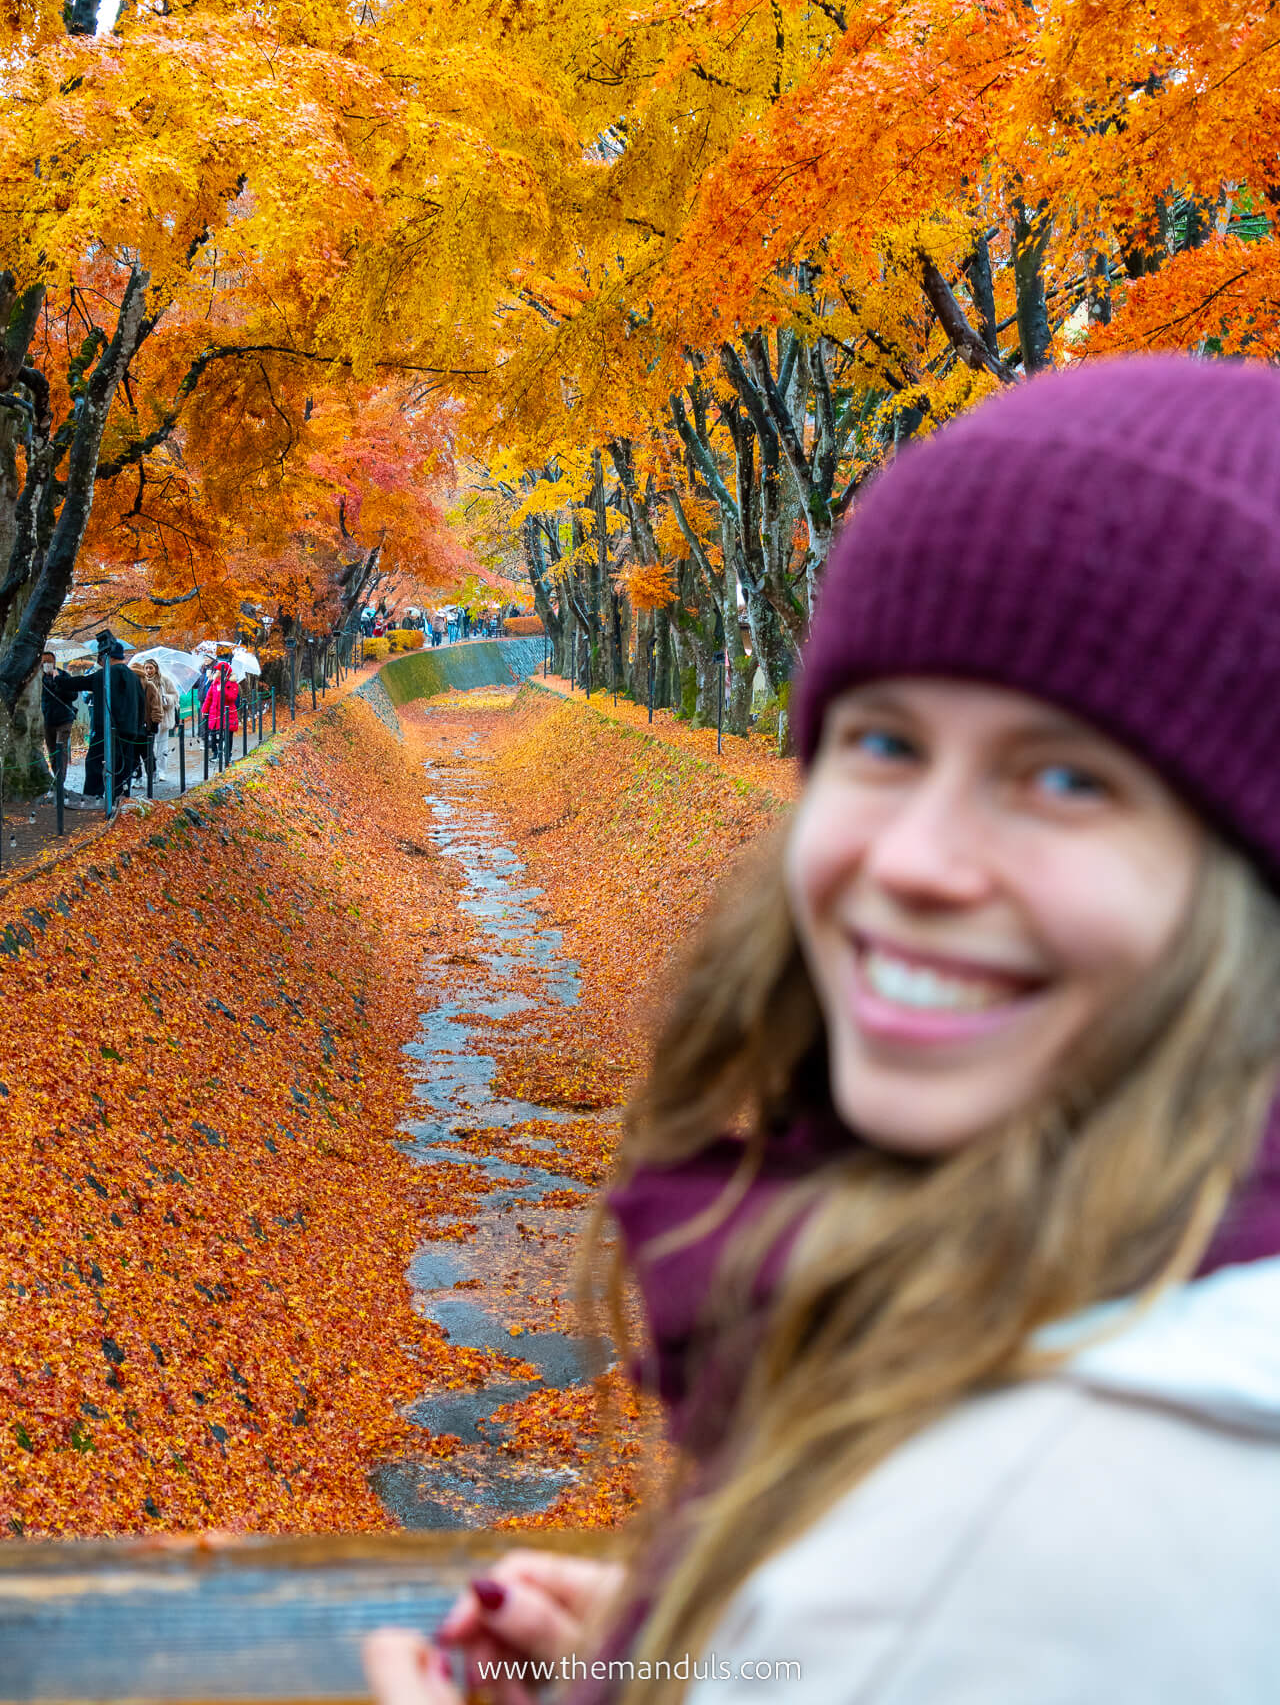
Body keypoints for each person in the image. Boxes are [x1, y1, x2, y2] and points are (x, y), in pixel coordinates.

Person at [364, 356, 1280, 1705]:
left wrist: (825, 1632)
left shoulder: (1009, 1542)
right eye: (887, 743)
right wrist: (722, 1641)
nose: (914, 858)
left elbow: (950, 1615)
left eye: (1068, 777)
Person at [63, 633, 146, 800]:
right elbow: (142, 703)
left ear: (105, 656)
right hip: (129, 731)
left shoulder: (105, 675)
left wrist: (58, 679)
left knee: (95, 764)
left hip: (106, 730)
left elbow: (80, 682)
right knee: (123, 768)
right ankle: (121, 798)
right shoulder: (133, 676)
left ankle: (92, 797)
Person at [40, 651, 78, 783]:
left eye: (49, 662)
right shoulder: (38, 679)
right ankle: (56, 780)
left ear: (54, 663)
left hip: (64, 719)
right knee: (52, 752)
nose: (46, 665)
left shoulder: (63, 675)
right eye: (44, 662)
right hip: (47, 719)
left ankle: (60, 782)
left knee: (60, 750)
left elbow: (73, 695)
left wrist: (58, 681)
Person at [201, 657, 239, 768]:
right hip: (214, 713)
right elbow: (209, 698)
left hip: (227, 713)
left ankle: (228, 753)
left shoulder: (232, 684)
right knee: (213, 734)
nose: (216, 672)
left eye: (218, 670)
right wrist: (204, 710)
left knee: (228, 735)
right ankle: (215, 753)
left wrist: (224, 689)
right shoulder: (214, 683)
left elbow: (232, 698)